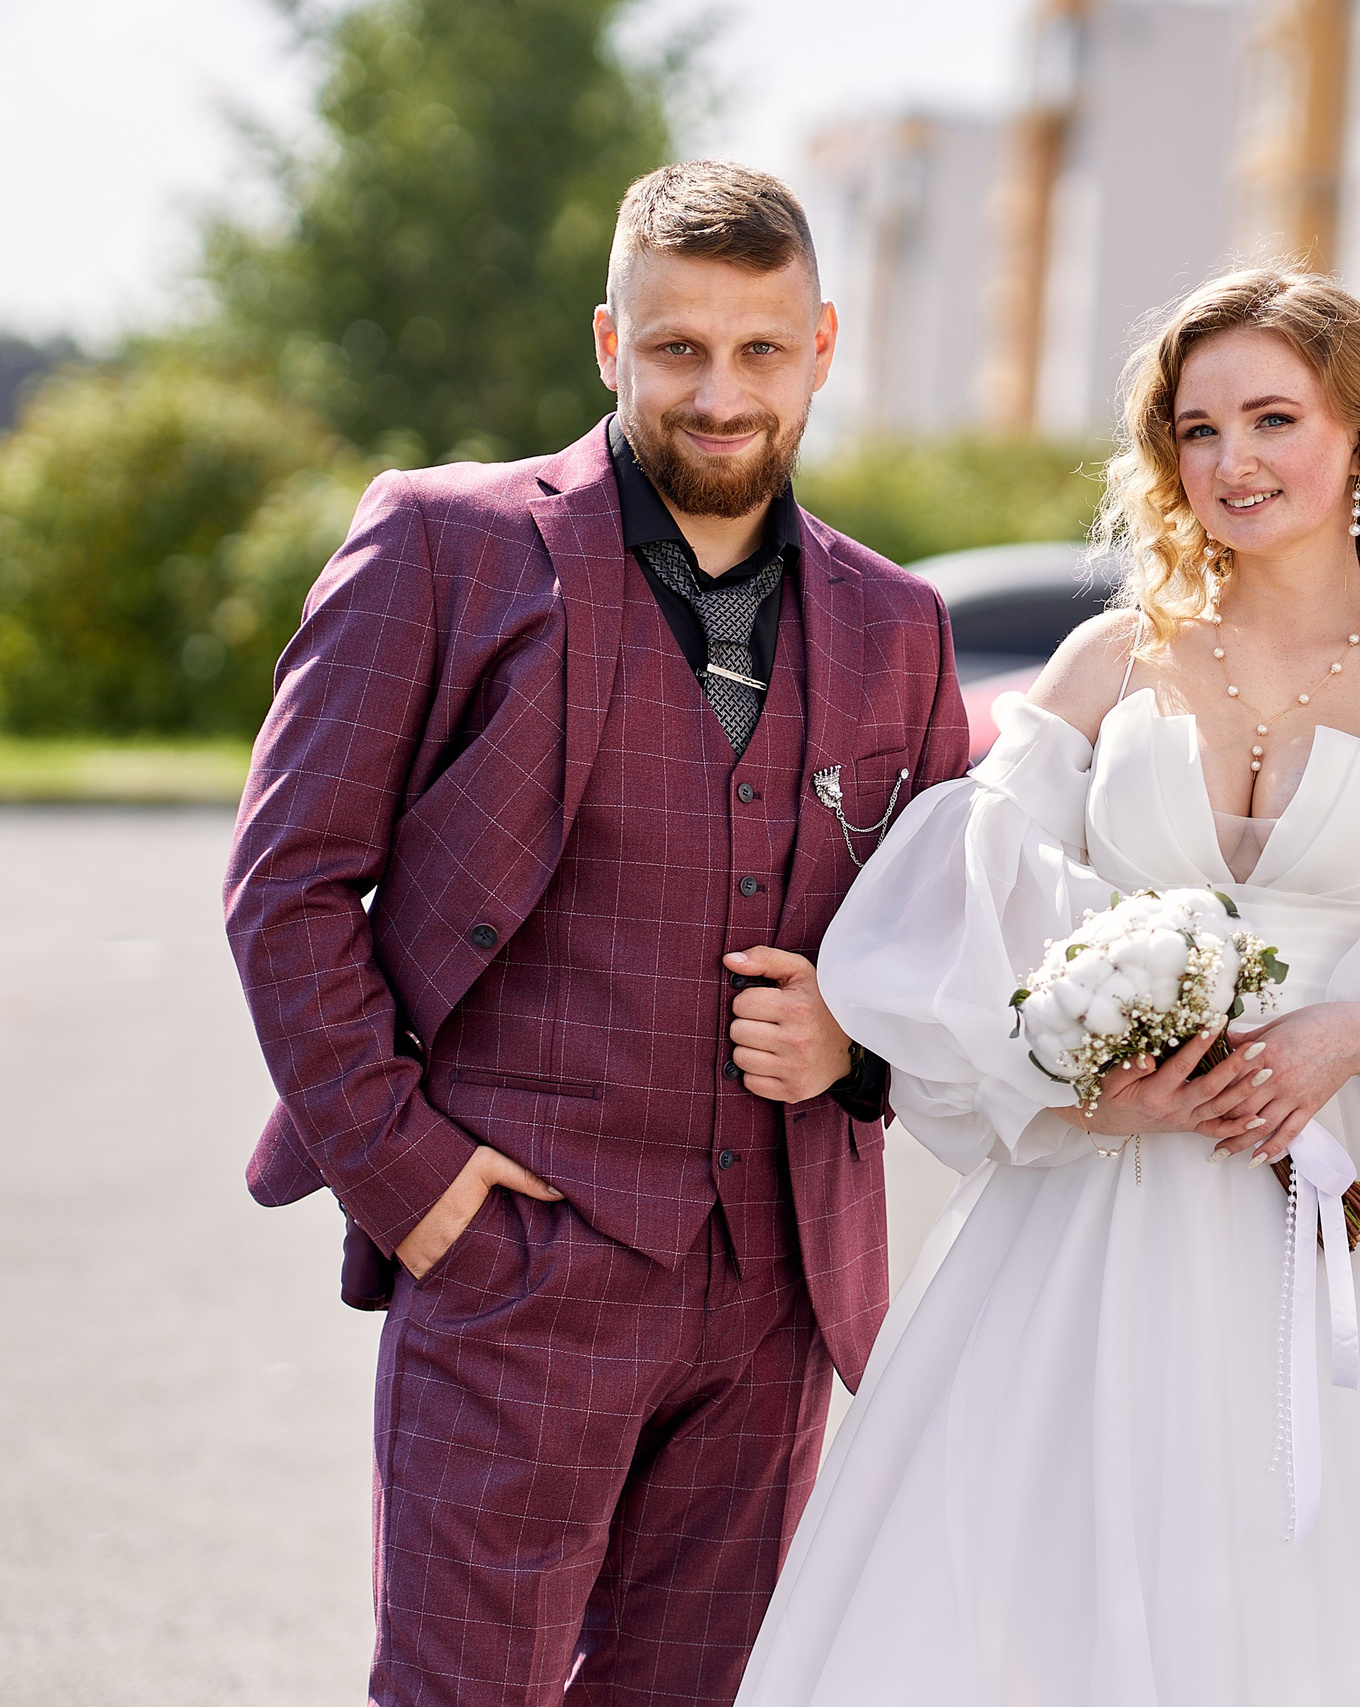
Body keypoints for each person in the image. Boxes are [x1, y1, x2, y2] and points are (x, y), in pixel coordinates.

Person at [735, 268, 1360, 1706]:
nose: (1232, 461)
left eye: (1271, 418)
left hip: (1356, 1218)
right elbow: (960, 894)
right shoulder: (1111, 661)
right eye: (1197, 430)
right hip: (1100, 1205)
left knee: (1339, 1595)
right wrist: (1068, 1068)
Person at [222, 161, 968, 1705]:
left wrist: (856, 1039)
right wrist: (413, 1187)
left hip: (777, 1294)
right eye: (675, 345)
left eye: (760, 349)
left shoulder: (898, 619)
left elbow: (944, 922)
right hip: (514, 1260)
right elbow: (287, 883)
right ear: (606, 342)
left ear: (821, 346)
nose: (719, 389)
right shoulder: (444, 543)